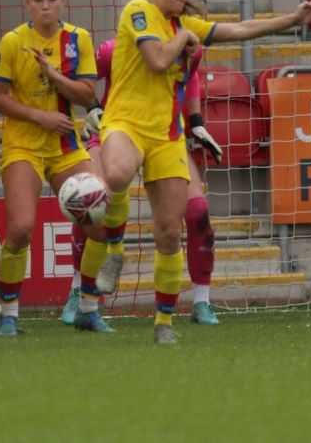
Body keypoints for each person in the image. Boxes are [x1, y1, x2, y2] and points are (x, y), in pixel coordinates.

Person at [92, 0, 311, 344]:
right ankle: (115, 249)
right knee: (114, 174)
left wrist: (293, 20)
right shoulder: (139, 11)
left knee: (168, 234)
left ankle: (164, 322)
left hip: (166, 136)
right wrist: (184, 38)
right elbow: (158, 59)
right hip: (125, 124)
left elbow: (239, 29)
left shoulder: (184, 23)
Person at [67, 37, 224, 329]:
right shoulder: (115, 48)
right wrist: (91, 106)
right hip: (118, 129)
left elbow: (189, 79)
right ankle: (80, 293)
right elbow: (83, 79)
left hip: (165, 136)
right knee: (94, 203)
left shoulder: (189, 44)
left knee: (197, 210)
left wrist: (196, 120)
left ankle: (201, 300)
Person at [0, 0, 102, 336]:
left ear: (62, 1)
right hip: (23, 145)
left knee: (100, 221)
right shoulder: (12, 42)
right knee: (20, 229)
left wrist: (55, 77)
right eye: (38, 0)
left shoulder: (77, 39)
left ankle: (87, 307)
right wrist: (40, 116)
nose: (46, 6)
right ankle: (8, 313)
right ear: (27, 3)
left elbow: (87, 96)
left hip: (66, 146)